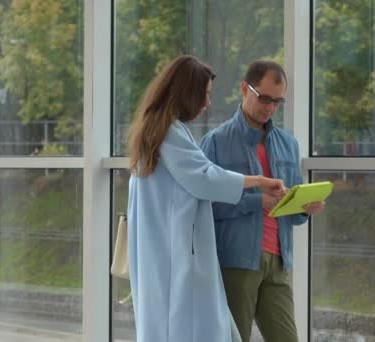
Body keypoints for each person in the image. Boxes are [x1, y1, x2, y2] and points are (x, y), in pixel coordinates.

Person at [126, 55, 285, 342]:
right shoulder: (170, 133)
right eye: (205, 95)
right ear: (188, 92)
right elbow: (204, 178)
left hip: (164, 252)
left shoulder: (153, 131)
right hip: (179, 257)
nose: (207, 103)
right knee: (198, 328)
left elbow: (202, 175)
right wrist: (258, 182)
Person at [200, 60, 325, 342]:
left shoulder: (288, 144)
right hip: (235, 262)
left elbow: (290, 209)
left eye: (277, 102)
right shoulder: (215, 142)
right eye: (265, 98)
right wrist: (258, 202)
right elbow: (204, 207)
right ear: (245, 89)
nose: (270, 108)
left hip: (278, 262)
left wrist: (305, 208)